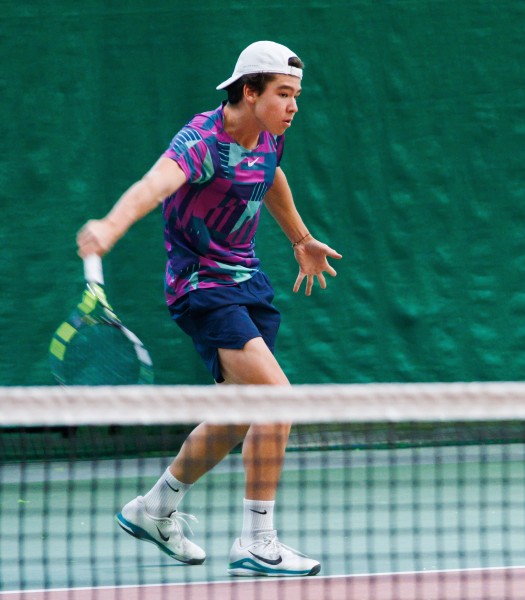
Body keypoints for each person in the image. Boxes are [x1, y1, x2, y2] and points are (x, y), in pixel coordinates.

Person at [76, 40, 341, 577]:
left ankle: (154, 509)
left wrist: (300, 238)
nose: (293, 106)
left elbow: (271, 175)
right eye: (283, 94)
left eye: (296, 95)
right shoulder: (200, 143)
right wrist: (109, 226)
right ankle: (257, 540)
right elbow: (153, 187)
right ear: (250, 91)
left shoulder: (270, 135)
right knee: (276, 400)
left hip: (248, 283)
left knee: (238, 413)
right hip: (202, 288)